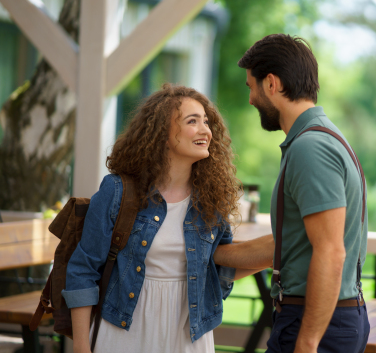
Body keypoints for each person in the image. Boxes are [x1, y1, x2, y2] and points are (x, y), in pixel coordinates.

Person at [62, 84, 269, 353]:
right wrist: (81, 345)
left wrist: (273, 256)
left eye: (206, 121)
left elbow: (220, 267)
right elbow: (83, 269)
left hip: (188, 335)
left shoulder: (210, 201)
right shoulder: (118, 191)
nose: (205, 130)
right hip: (123, 328)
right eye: (192, 121)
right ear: (162, 133)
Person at [216, 34, 370, 353]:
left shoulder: (310, 149)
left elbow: (331, 251)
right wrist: (213, 255)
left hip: (315, 326)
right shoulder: (319, 139)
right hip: (323, 319)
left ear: (272, 84)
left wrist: (307, 342)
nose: (250, 99)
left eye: (251, 87)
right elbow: (290, 244)